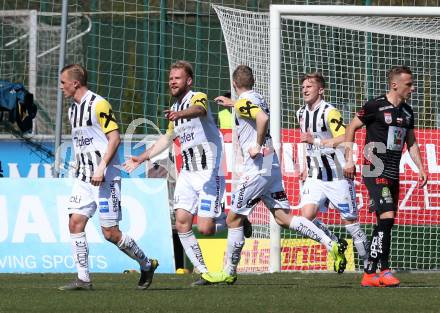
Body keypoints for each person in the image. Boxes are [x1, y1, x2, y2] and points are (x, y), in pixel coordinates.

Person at [201, 65, 346, 285]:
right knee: (283, 218)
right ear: (253, 83)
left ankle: (228, 271)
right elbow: (253, 110)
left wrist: (256, 145)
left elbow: (261, 119)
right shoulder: (257, 97)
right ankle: (331, 244)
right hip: (271, 163)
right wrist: (233, 103)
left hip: (258, 166)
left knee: (233, 219)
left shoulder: (243, 104)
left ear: (234, 84)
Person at [123, 60, 228, 285]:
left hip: (209, 171)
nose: (172, 81)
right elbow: (167, 138)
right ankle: (205, 272)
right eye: (170, 78)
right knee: (182, 222)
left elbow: (200, 110)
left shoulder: (196, 97)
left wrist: (179, 115)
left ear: (188, 81)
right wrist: (142, 157)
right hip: (188, 173)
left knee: (206, 228)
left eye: (177, 78)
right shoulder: (175, 110)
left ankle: (236, 220)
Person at [58, 64, 158, 291]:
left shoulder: (98, 104)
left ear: (75, 83)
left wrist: (101, 167)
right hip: (84, 177)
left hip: (105, 177)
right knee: (75, 222)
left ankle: (146, 263)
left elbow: (114, 138)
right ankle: (83, 278)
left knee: (110, 233)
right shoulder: (73, 109)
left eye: (63, 82)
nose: (61, 86)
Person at [344, 66, 427, 287]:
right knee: (387, 216)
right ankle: (383, 269)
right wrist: (350, 159)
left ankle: (372, 272)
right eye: (409, 84)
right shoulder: (375, 106)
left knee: (385, 221)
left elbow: (412, 142)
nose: (413, 88)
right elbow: (351, 128)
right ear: (394, 85)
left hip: (393, 171)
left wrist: (421, 168)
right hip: (374, 169)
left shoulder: (408, 112)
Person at [297, 72, 369, 272]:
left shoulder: (329, 112)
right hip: (315, 174)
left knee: (351, 224)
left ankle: (368, 266)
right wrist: (304, 165)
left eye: (309, 86)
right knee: (306, 217)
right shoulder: (301, 113)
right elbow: (305, 141)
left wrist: (347, 160)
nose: (304, 89)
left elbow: (344, 136)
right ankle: (336, 242)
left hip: (337, 175)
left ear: (321, 90)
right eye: (303, 86)